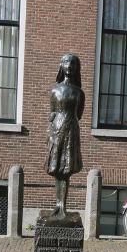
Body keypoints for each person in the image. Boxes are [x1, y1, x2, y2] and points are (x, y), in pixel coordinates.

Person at [45, 53, 85, 218]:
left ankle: (63, 206)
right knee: (57, 168)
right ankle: (58, 205)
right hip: (57, 130)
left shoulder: (79, 92)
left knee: (67, 169)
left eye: (73, 63)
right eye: (66, 62)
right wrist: (50, 134)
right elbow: (52, 113)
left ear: (77, 68)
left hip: (71, 130)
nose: (70, 66)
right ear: (61, 66)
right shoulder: (55, 90)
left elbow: (79, 114)